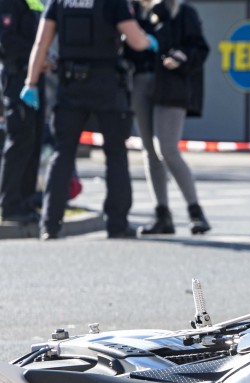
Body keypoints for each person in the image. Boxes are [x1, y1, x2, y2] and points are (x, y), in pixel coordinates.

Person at [20, 0, 159, 240]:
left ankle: (50, 225)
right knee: (115, 153)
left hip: (70, 85)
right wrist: (150, 42)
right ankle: (117, 225)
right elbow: (136, 41)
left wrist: (30, 83)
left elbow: (41, 43)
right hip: (107, 86)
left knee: (62, 153)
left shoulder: (59, 2)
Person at [127, 0, 209, 235]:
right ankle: (162, 214)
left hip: (171, 84)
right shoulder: (132, 11)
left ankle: (196, 212)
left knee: (167, 149)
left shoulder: (182, 11)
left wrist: (181, 56)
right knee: (149, 150)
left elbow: (200, 48)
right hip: (140, 82)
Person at [0, 0, 43, 225]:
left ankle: (26, 202)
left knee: (33, 141)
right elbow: (7, 42)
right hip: (18, 78)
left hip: (35, 78)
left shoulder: (33, 2)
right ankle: (10, 205)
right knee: (19, 140)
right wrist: (39, 54)